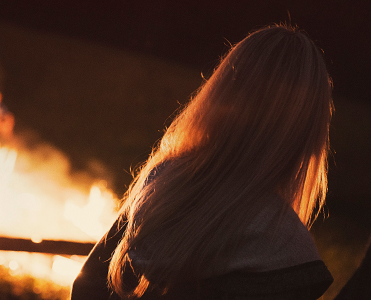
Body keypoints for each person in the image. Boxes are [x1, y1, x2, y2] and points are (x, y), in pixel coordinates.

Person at [71, 24, 337, 299]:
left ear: (222, 93)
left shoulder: (164, 184)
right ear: (306, 132)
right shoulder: (286, 251)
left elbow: (87, 287)